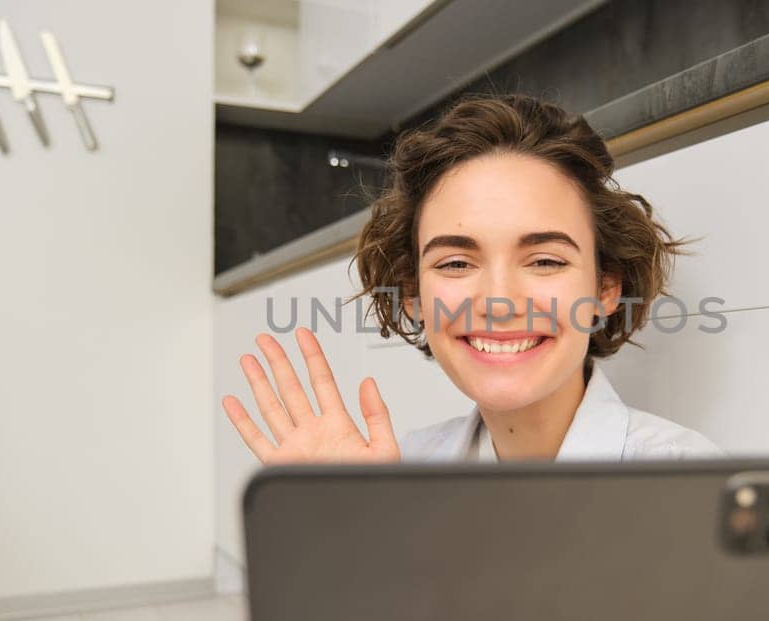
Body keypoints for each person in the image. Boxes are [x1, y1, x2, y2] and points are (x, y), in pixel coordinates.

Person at [220, 94, 721, 464]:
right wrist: (355, 538)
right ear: (413, 295)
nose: (499, 301)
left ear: (605, 289)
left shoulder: (689, 482)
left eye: (545, 260)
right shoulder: (401, 471)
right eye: (456, 264)